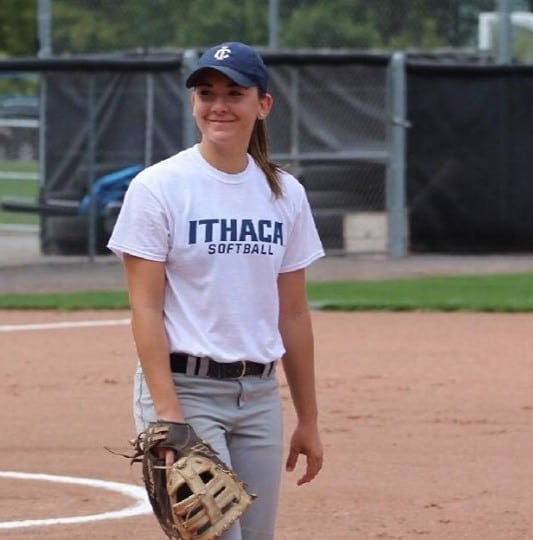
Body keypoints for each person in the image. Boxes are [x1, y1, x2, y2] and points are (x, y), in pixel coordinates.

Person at [107, 41, 325, 540]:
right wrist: (168, 416)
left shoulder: (284, 193)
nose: (218, 105)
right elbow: (145, 308)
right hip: (186, 391)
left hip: (260, 396)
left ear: (263, 104)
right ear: (193, 102)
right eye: (206, 92)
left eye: (234, 92)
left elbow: (293, 314)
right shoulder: (159, 187)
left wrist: (308, 418)